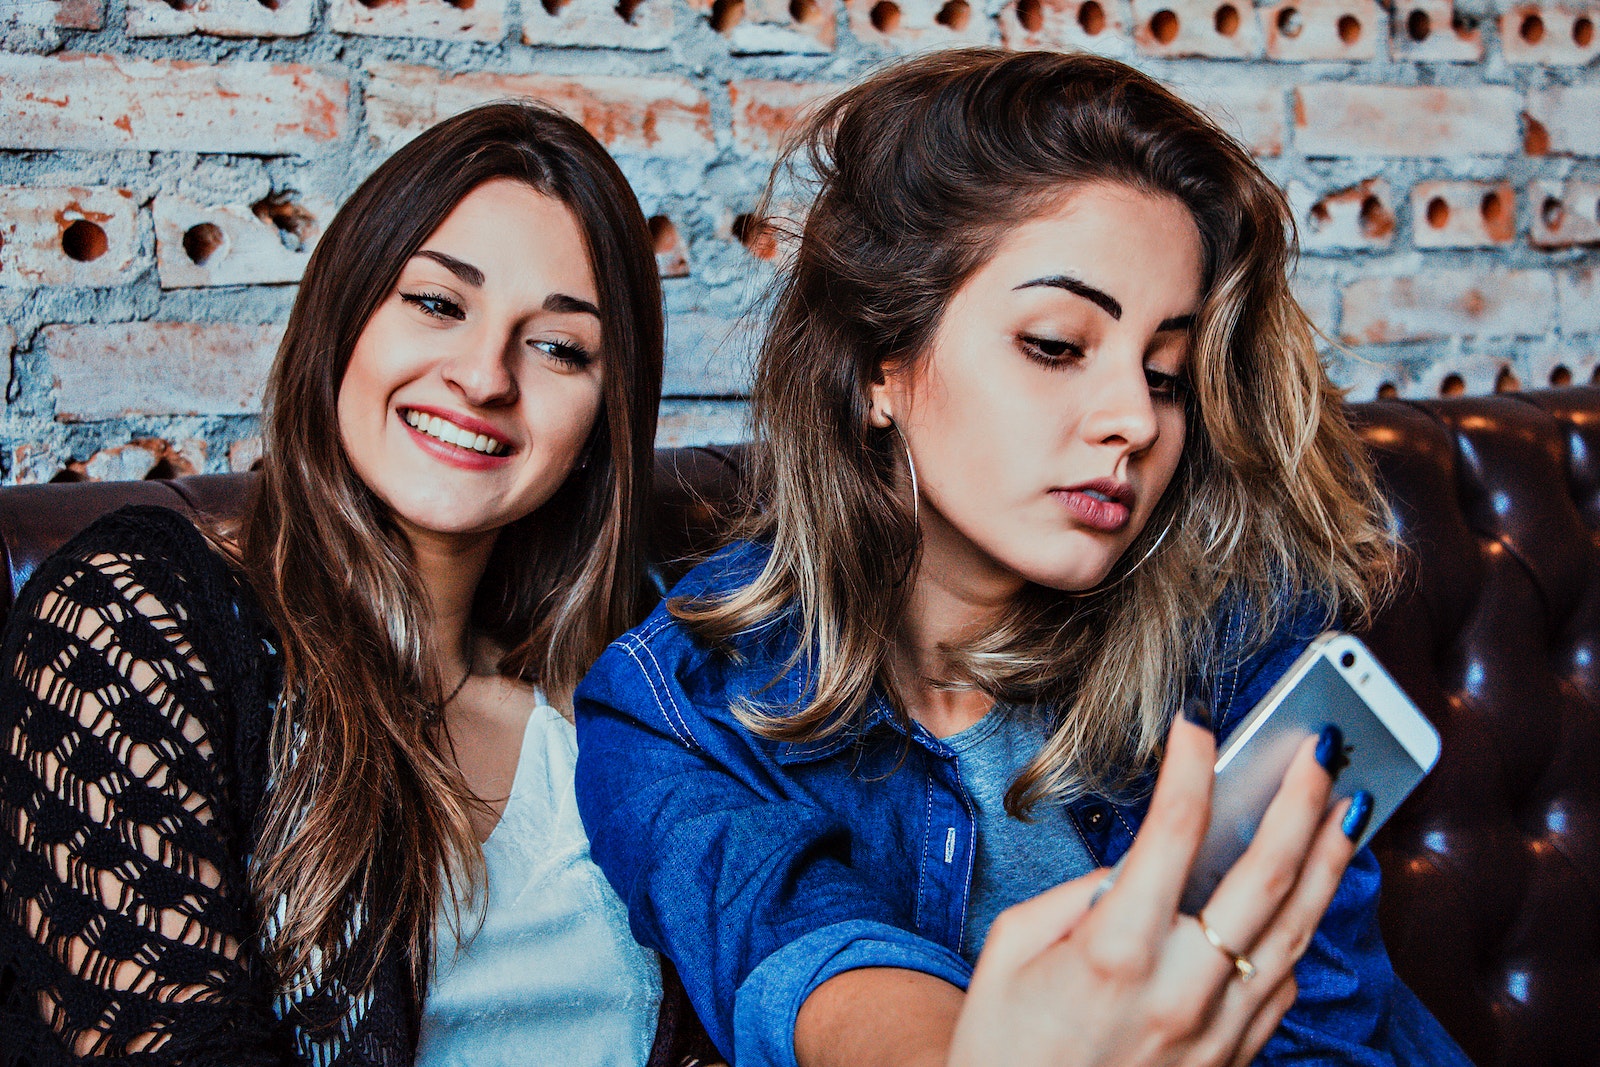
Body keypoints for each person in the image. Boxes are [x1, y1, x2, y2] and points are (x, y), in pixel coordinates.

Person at [572, 49, 1473, 1067]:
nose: (1134, 417)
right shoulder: (676, 700)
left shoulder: (1241, 636)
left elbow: (1324, 1029)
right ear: (880, 363)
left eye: (1167, 372)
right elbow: (799, 952)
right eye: (1055, 343)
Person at [0, 102, 703, 1067]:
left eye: (557, 347)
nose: (484, 376)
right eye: (438, 303)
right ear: (344, 317)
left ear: (600, 424)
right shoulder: (138, 613)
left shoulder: (648, 686)